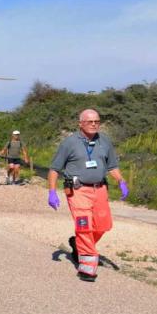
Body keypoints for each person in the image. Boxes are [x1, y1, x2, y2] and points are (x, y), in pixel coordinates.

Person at [47, 109, 128, 282]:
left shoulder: (104, 141)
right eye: (90, 121)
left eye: (97, 121)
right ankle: (87, 267)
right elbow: (54, 169)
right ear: (80, 124)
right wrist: (52, 192)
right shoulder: (69, 143)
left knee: (102, 226)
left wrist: (121, 182)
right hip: (78, 191)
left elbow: (112, 166)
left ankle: (78, 244)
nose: (94, 124)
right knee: (84, 226)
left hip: (100, 190)